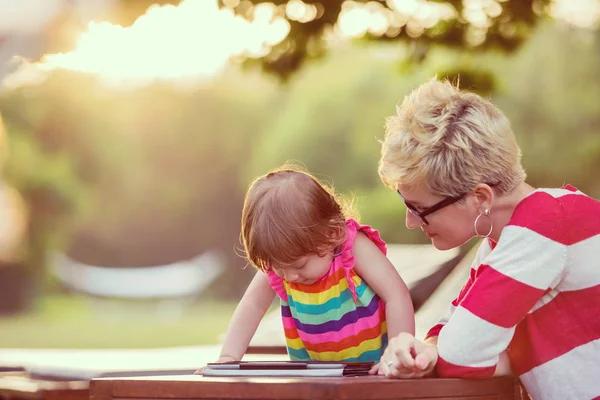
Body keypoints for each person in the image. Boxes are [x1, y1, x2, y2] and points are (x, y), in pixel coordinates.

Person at [374, 78, 600, 399]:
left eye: (420, 208)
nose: (411, 222)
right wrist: (425, 352)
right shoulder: (505, 240)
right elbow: (445, 331)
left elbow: (461, 354)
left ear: (480, 197)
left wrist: (438, 354)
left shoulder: (545, 224)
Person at [200, 165, 414, 367]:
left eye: (299, 265)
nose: (290, 276)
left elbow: (397, 296)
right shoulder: (282, 263)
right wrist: (228, 357)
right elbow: (252, 305)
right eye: (278, 268)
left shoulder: (352, 247)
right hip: (314, 376)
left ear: (332, 234)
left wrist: (396, 358)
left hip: (375, 371)